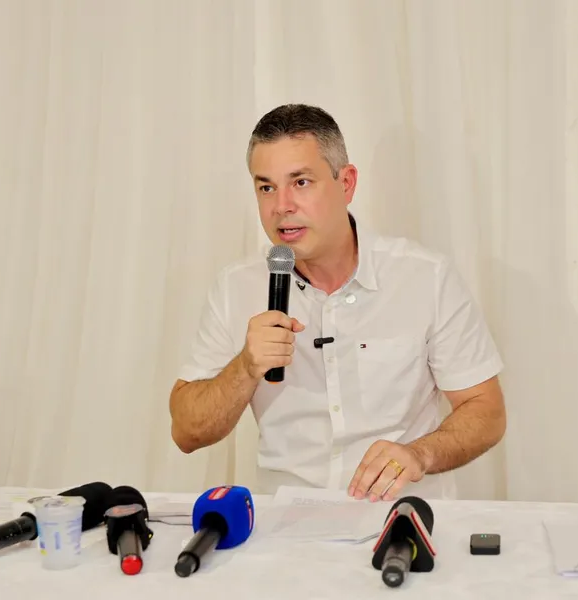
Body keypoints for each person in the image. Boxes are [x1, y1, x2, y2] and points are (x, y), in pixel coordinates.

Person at [169, 104, 505, 502]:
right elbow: (186, 432)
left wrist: (420, 454)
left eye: (301, 182)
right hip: (288, 523)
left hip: (401, 516)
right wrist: (245, 367)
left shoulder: (425, 277)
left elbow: (486, 411)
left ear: (346, 183)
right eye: (266, 187)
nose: (281, 206)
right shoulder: (236, 286)